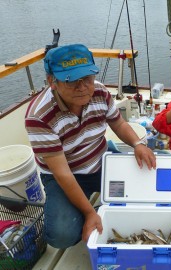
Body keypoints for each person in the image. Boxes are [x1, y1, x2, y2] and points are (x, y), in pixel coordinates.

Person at [25, 44, 156, 249]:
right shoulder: (38, 116)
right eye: (71, 80)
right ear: (52, 81)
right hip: (64, 175)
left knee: (144, 193)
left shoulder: (101, 92)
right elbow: (63, 174)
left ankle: (91, 203)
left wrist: (137, 144)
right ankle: (85, 206)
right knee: (61, 235)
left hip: (100, 159)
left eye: (87, 78)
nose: (82, 87)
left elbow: (119, 123)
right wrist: (89, 213)